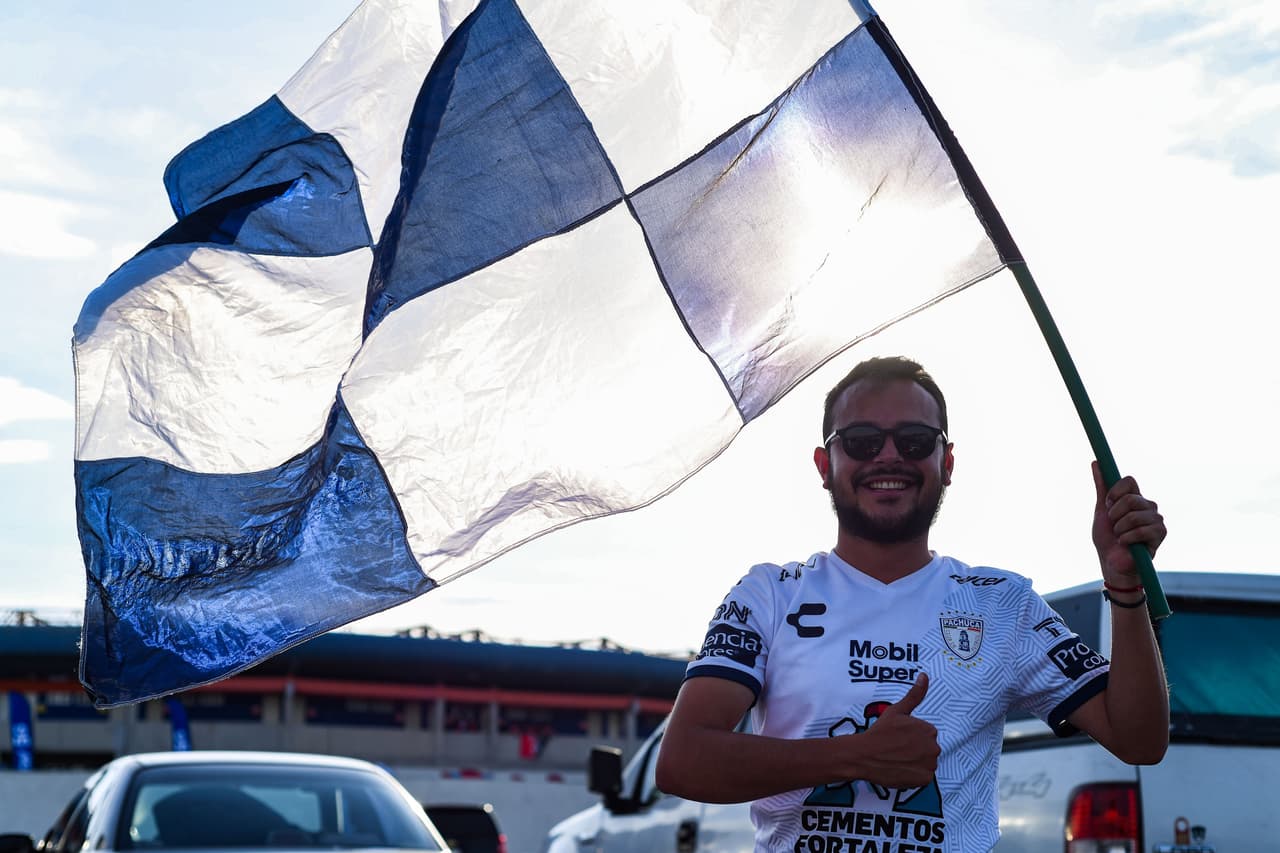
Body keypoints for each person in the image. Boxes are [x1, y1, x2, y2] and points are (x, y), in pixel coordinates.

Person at [655, 356, 1168, 853]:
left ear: (946, 463)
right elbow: (682, 761)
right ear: (823, 464)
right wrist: (854, 756)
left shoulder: (1003, 604)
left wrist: (1126, 590)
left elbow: (1138, 741)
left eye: (915, 441)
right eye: (861, 441)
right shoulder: (769, 594)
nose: (888, 456)